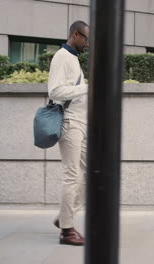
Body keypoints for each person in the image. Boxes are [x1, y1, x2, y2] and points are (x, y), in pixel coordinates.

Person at [48, 20, 89, 246]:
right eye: (86, 38)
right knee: (71, 175)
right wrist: (87, 87)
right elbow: (55, 90)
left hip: (80, 123)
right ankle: (66, 230)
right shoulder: (62, 57)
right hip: (70, 122)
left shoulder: (72, 58)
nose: (88, 43)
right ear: (76, 34)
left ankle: (65, 216)